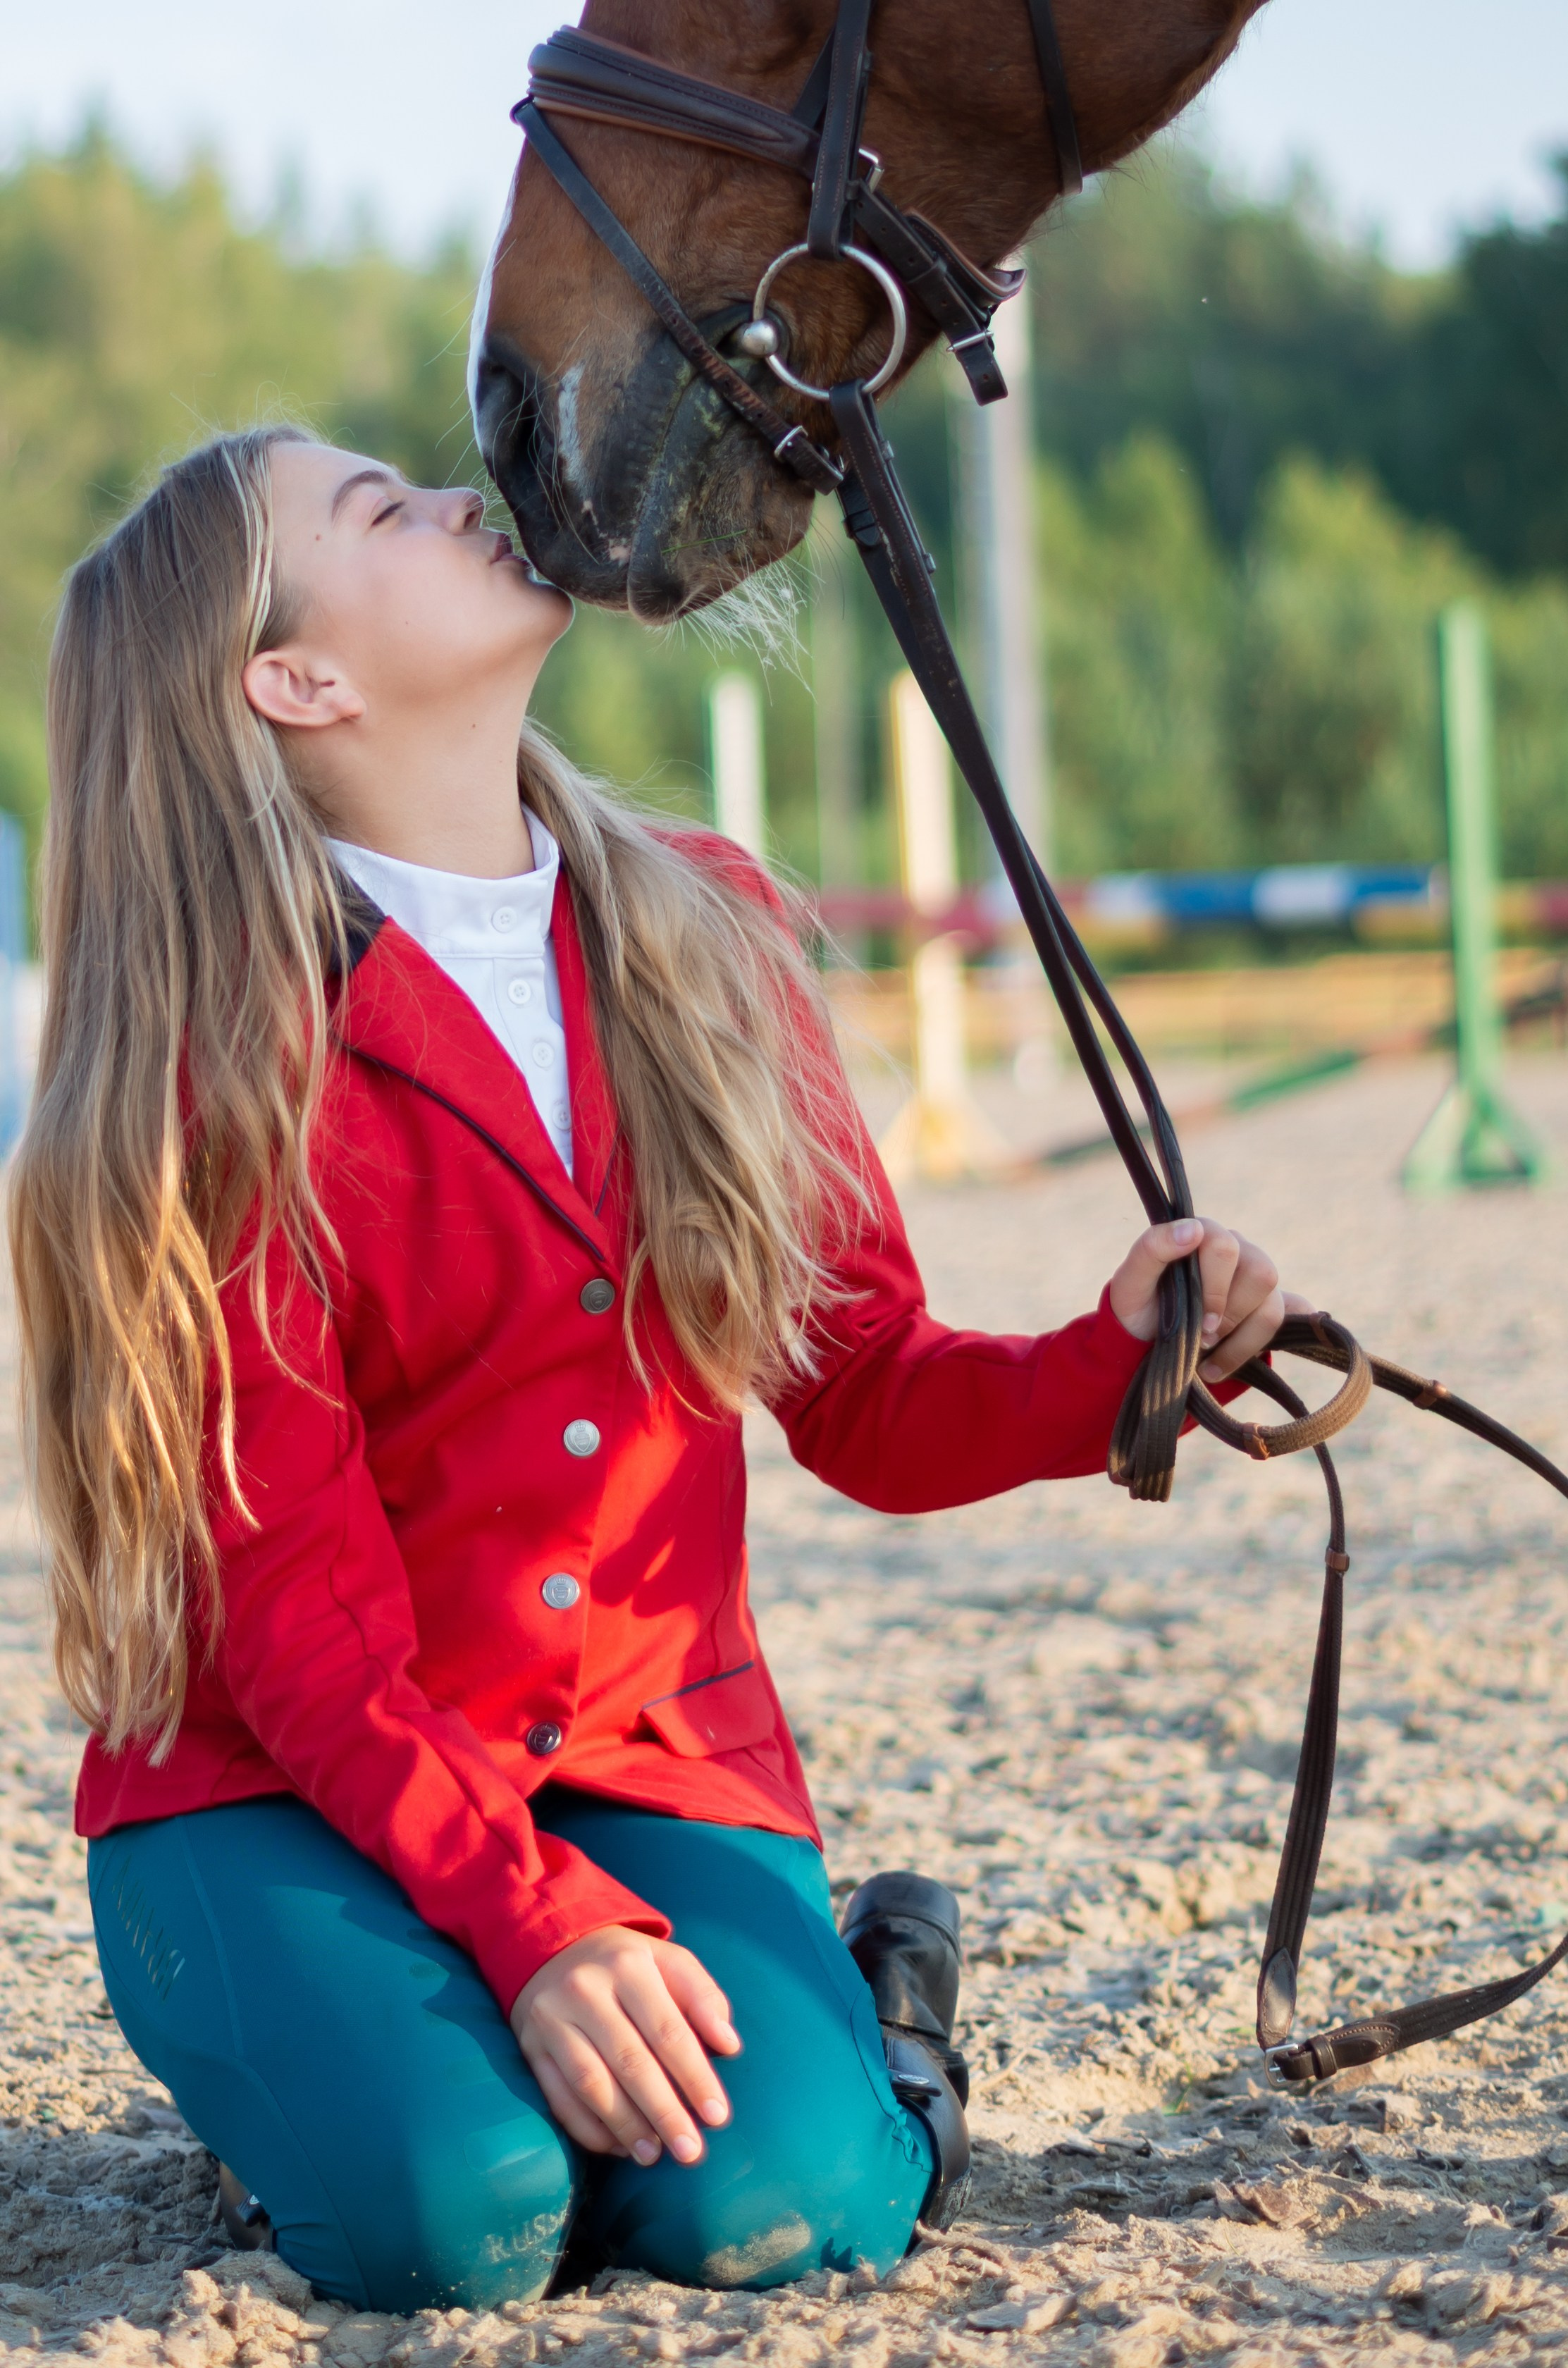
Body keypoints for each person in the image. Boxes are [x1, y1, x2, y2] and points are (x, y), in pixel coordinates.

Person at [11, 426, 1300, 2314]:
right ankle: (340, 2057)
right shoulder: (210, 1072)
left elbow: (862, 1384)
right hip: (271, 1788)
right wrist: (531, 1932)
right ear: (297, 681)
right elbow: (293, 1620)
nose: (464, 493)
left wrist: (1106, 1368)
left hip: (643, 1750)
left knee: (779, 2216)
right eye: (381, 511)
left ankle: (877, 2026)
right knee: (455, 2224)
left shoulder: (709, 932)